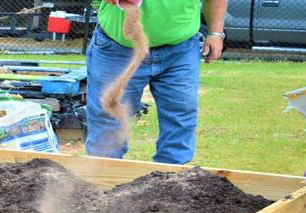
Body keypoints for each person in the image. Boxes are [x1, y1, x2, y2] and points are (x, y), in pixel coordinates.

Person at [85, 0, 226, 164]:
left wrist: (216, 33)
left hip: (181, 49)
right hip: (118, 49)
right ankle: (102, 179)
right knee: (109, 118)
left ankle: (170, 182)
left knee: (180, 117)